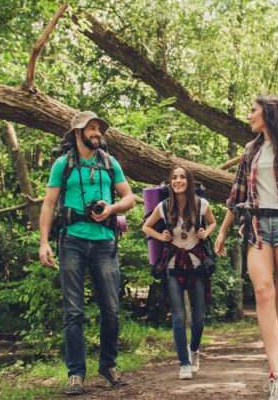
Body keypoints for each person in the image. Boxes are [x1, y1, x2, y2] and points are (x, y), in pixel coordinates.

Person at [214, 95, 278, 400]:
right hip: (258, 227)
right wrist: (222, 232)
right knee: (263, 292)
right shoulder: (251, 150)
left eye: (253, 111)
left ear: (269, 113)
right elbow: (236, 196)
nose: (249, 115)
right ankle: (277, 374)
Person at [38, 111, 136, 395]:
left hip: (105, 242)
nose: (97, 133)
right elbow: (48, 204)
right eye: (91, 129)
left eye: (98, 129)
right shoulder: (63, 164)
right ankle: (76, 374)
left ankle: (108, 365)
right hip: (72, 242)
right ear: (78, 133)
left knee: (112, 309)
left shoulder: (109, 162)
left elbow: (130, 197)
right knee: (73, 311)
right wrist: (44, 242)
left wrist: (112, 208)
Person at [142, 165, 217, 380]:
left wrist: (205, 232)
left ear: (189, 181)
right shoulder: (164, 207)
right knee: (178, 316)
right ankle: (184, 363)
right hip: (173, 265)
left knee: (199, 318)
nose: (178, 181)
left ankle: (194, 350)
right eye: (174, 177)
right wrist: (160, 237)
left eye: (182, 177)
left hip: (197, 266)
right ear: (170, 182)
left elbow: (212, 223)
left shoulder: (202, 205)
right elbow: (146, 226)